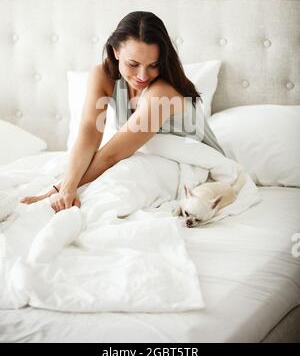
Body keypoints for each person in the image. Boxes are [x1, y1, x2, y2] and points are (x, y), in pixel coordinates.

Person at [20, 11, 224, 212]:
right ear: (116, 51)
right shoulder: (102, 76)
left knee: (111, 189)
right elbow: (90, 130)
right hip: (144, 157)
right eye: (133, 64)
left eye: (154, 65)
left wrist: (62, 188)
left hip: (190, 164)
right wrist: (66, 186)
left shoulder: (162, 92)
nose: (142, 76)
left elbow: (112, 154)